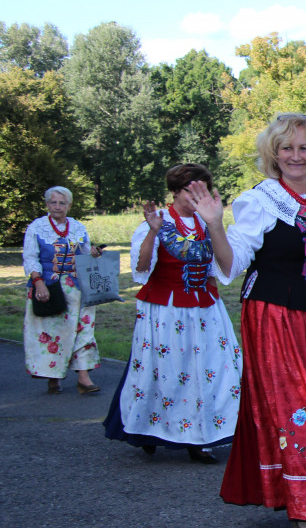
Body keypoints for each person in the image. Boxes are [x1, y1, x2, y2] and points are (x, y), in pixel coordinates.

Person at [198, 114, 306, 528]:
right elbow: (231, 265)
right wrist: (215, 225)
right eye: (286, 147)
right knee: (297, 408)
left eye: (304, 147)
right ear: (273, 153)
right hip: (276, 317)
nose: (295, 155)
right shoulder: (261, 200)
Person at [103, 164, 240, 464]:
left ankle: (201, 438)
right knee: (165, 371)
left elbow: (217, 269)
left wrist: (212, 302)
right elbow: (141, 270)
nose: (198, 197)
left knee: (209, 371)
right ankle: (150, 431)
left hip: (204, 310)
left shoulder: (207, 222)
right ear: (176, 191)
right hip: (166, 312)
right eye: (192, 190)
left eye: (204, 190)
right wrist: (153, 232)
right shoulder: (157, 221)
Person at [23, 186, 103, 395]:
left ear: (69, 205)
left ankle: (84, 378)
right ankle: (53, 376)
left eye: (62, 203)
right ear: (47, 204)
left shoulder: (77, 227)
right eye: (53, 202)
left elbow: (85, 254)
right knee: (53, 333)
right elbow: (30, 258)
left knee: (84, 329)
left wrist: (94, 253)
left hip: (77, 287)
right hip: (49, 287)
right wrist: (38, 283)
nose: (57, 207)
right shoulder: (37, 227)